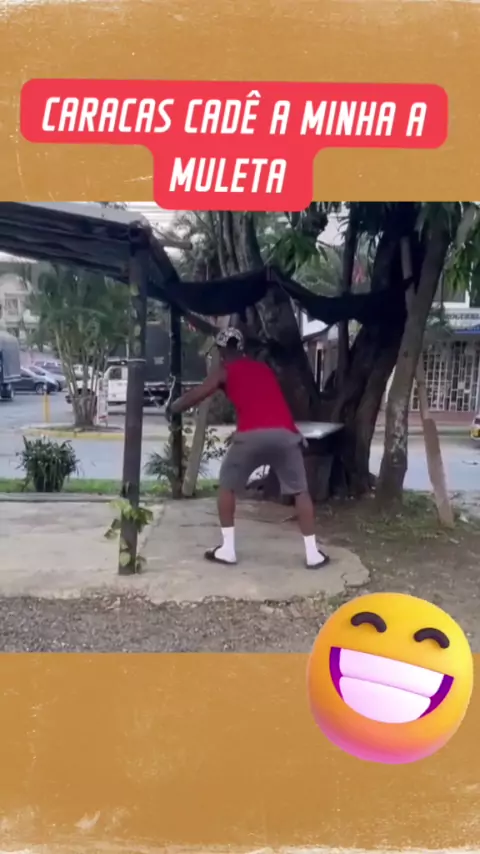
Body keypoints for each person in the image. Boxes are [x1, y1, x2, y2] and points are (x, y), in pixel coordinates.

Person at [168, 327, 330, 569]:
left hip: (251, 434)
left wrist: (172, 408)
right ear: (241, 347)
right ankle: (313, 554)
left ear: (221, 350)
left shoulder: (224, 371)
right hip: (286, 434)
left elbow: (198, 394)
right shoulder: (262, 368)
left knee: (227, 485)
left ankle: (227, 550)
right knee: (300, 491)